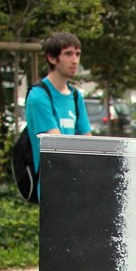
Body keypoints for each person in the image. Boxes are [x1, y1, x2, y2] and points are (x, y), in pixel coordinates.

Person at [25, 32, 92, 198]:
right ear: (52, 58)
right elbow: (57, 147)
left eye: (77, 54)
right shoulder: (39, 96)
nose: (75, 60)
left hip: (77, 186)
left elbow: (89, 143)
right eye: (68, 54)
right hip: (53, 188)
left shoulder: (75, 96)